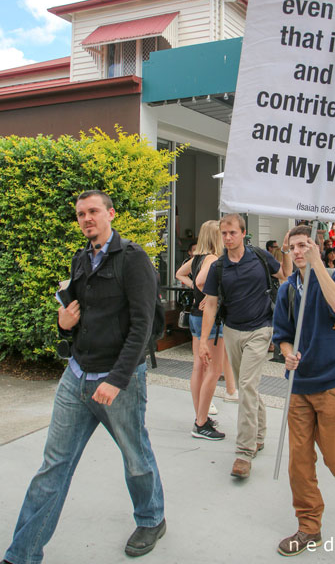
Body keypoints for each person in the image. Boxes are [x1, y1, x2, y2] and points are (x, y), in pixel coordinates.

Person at [2, 190, 165, 564]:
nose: (86, 219)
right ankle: (21, 555)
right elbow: (77, 317)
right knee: (52, 467)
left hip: (117, 381)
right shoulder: (80, 258)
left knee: (135, 456)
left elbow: (141, 327)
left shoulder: (134, 259)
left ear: (110, 213)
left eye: (93, 211)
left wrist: (118, 379)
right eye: (80, 214)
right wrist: (64, 326)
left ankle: (151, 518)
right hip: (76, 376)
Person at [273, 225, 335, 557]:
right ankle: (309, 527)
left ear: (317, 247)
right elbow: (283, 334)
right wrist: (288, 353)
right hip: (300, 385)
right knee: (299, 462)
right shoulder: (287, 289)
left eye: (305, 245)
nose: (299, 251)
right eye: (294, 247)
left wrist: (319, 267)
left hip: (333, 380)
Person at [199, 214, 291, 479]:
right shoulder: (219, 267)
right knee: (245, 386)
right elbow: (212, 303)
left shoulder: (259, 257)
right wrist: (204, 340)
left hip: (260, 330)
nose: (228, 238)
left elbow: (284, 275)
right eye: (224, 234)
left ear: (243, 233)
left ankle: (244, 452)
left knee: (247, 387)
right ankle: (259, 434)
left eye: (232, 233)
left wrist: (284, 251)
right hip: (231, 331)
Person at [176, 220, 227, 440]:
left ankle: (200, 415)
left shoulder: (197, 257)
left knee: (199, 366)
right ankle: (201, 422)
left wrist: (199, 293)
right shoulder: (213, 259)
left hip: (196, 317)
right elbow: (200, 280)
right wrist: (208, 294)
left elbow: (180, 274)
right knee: (214, 370)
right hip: (210, 319)